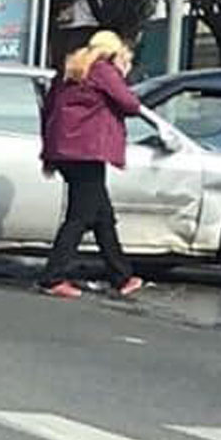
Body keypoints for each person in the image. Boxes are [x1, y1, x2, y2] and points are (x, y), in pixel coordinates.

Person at [38, 30, 145, 299]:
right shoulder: (103, 69)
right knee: (81, 216)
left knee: (102, 217)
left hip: (66, 150)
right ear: (113, 52)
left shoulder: (72, 69)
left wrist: (49, 152)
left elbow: (49, 107)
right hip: (87, 151)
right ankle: (52, 277)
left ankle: (122, 276)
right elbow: (130, 104)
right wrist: (121, 72)